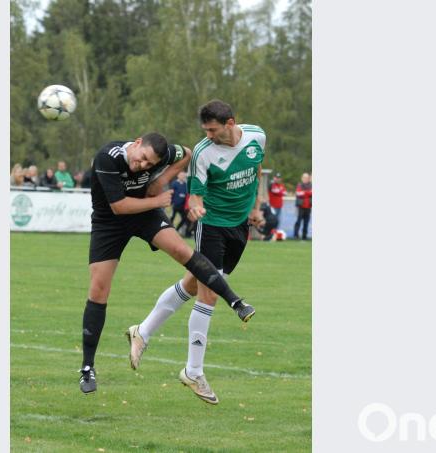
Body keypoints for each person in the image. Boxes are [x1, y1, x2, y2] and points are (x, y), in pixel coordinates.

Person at [78, 132, 253, 395]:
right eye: (142, 159)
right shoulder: (108, 157)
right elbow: (119, 207)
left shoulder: (166, 152)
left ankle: (235, 301)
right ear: (137, 143)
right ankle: (87, 368)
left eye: (150, 164)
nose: (143, 165)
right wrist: (157, 199)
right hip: (109, 223)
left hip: (145, 214)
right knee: (99, 289)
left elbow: (188, 152)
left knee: (183, 251)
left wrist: (162, 179)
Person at [127, 100, 265, 405]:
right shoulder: (204, 152)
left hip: (239, 226)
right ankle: (193, 371)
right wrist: (196, 206)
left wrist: (256, 209)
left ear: (231, 123)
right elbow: (195, 197)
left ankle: (142, 331)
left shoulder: (257, 136)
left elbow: (256, 173)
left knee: (192, 284)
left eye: (214, 130)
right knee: (209, 294)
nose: (210, 135)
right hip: (212, 226)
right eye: (206, 130)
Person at [294, 172, 312, 240]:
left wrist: (305, 193)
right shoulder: (299, 185)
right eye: (304, 177)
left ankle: (304, 236)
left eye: (307, 178)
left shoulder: (311, 185)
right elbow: (299, 193)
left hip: (308, 207)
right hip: (300, 206)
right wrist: (307, 193)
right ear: (302, 178)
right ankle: (296, 235)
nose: (305, 179)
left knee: (306, 222)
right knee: (298, 221)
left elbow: (311, 193)